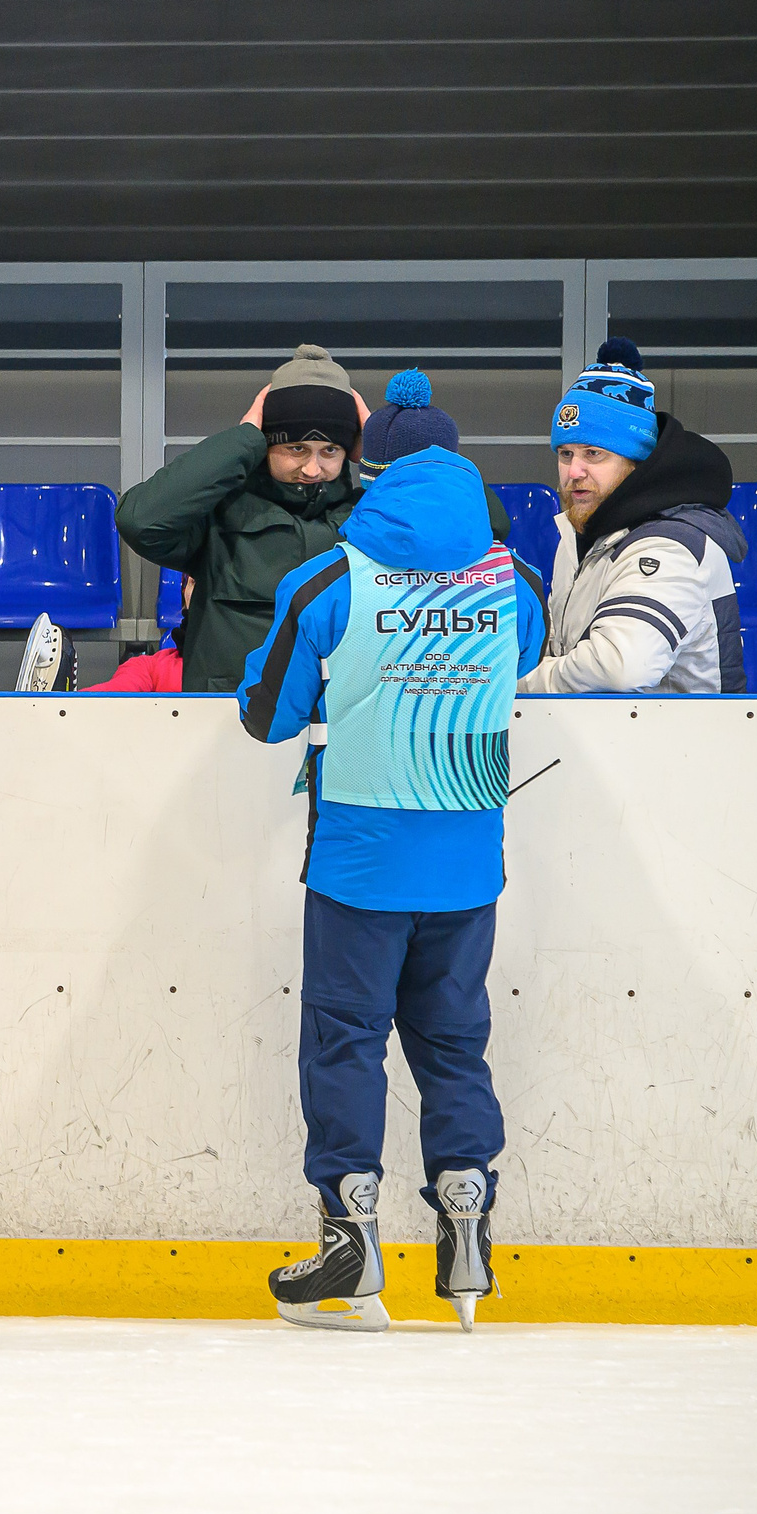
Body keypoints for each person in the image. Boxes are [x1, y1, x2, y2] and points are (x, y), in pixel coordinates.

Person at [237, 443, 546, 1333]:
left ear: (378, 485)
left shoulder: (331, 578)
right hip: (465, 860)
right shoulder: (512, 579)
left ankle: (352, 1238)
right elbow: (526, 653)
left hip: (360, 862)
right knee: (453, 1046)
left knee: (344, 1042)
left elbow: (266, 714)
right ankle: (466, 1222)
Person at [118, 345, 372, 692]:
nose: (313, 469)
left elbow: (456, 542)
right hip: (228, 722)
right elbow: (140, 521)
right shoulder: (219, 516)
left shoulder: (372, 518)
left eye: (330, 450)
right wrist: (244, 439)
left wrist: (382, 450)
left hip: (340, 724)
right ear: (266, 443)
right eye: (296, 449)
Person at [520, 338, 747, 694]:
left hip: (685, 745)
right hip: (606, 740)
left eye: (593, 453)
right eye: (565, 453)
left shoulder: (671, 543)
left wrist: (517, 684)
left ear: (635, 461)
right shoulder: (583, 532)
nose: (573, 471)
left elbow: (622, 667)